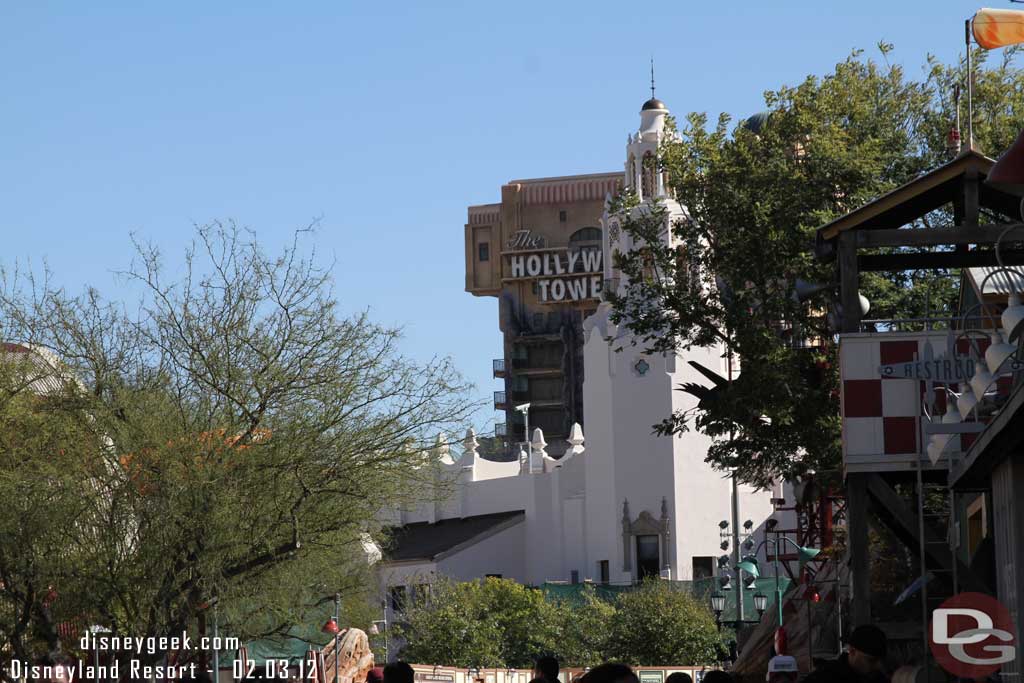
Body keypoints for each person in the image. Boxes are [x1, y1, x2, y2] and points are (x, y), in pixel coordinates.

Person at [804, 624, 888, 683]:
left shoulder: (878, 678)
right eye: (871, 660)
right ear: (852, 652)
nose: (878, 665)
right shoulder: (826, 676)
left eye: (881, 660)